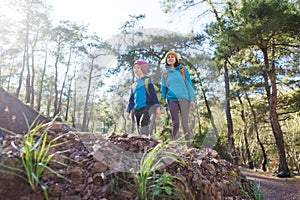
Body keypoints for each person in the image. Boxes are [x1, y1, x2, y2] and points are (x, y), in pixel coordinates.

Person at [160, 51, 195, 145]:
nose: (170, 58)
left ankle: (188, 146)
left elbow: (189, 84)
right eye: (168, 57)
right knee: (175, 123)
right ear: (166, 60)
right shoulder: (165, 74)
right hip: (172, 100)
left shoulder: (182, 70)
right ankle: (176, 146)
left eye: (172, 57)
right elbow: (163, 89)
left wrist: (192, 99)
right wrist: (161, 103)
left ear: (176, 59)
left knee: (185, 124)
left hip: (184, 99)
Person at [126, 60, 161, 135]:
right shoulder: (133, 85)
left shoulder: (147, 81)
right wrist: (128, 111)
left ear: (143, 69)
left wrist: (158, 107)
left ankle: (147, 143)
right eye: (134, 68)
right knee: (138, 128)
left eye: (138, 68)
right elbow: (131, 100)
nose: (136, 70)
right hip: (137, 109)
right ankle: (142, 143)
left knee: (143, 123)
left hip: (147, 107)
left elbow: (154, 95)